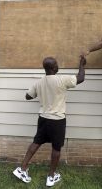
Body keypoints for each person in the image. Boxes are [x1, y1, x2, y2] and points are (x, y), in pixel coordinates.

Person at [13, 56, 86, 187]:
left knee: (36, 142)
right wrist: (82, 64)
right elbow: (80, 78)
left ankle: (22, 169)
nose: (58, 66)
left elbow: (27, 96)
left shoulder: (39, 82)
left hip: (43, 118)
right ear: (53, 68)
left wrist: (41, 93)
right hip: (57, 120)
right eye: (56, 64)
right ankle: (51, 177)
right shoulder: (62, 80)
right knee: (56, 147)